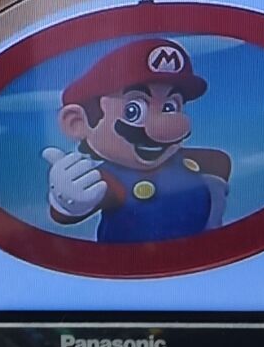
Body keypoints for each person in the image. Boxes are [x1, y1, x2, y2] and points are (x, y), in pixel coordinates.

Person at [42, 38, 231, 243]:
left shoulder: (194, 162)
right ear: (77, 122)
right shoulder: (111, 180)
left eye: (170, 107)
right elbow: (77, 207)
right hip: (134, 262)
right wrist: (67, 200)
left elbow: (218, 161)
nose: (167, 128)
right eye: (133, 111)